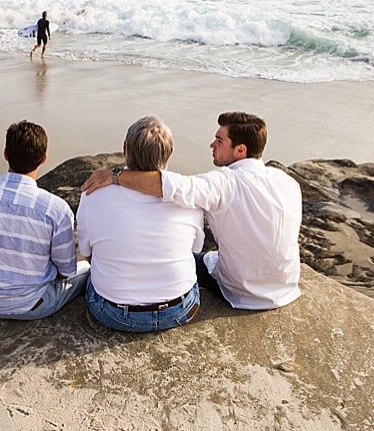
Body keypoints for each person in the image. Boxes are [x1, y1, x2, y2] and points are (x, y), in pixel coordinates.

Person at [81, 111, 302, 311]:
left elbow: (169, 185)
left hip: (244, 291)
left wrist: (115, 176)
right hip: (286, 286)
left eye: (219, 140)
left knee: (191, 259)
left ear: (240, 150)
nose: (211, 145)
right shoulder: (287, 182)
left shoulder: (223, 183)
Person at [77, 116, 205, 332]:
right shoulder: (188, 196)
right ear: (169, 153)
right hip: (179, 308)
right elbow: (195, 249)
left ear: (124, 149)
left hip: (114, 313)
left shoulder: (94, 193)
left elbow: (87, 252)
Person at [0, 120, 89, 320]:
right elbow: (66, 271)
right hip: (31, 305)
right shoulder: (55, 209)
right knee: (87, 270)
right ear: (44, 158)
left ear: (5, 154)